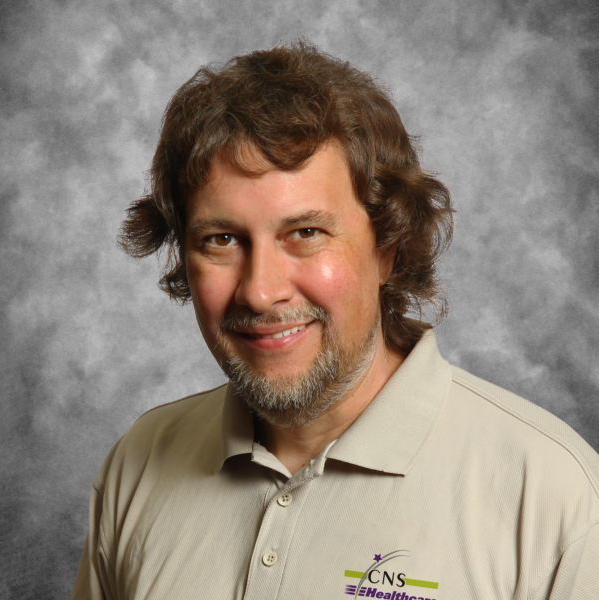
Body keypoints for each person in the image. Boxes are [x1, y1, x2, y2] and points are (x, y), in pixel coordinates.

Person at [71, 41, 599, 600]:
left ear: (388, 247)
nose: (260, 290)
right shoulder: (140, 462)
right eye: (220, 240)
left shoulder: (554, 498)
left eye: (305, 233)